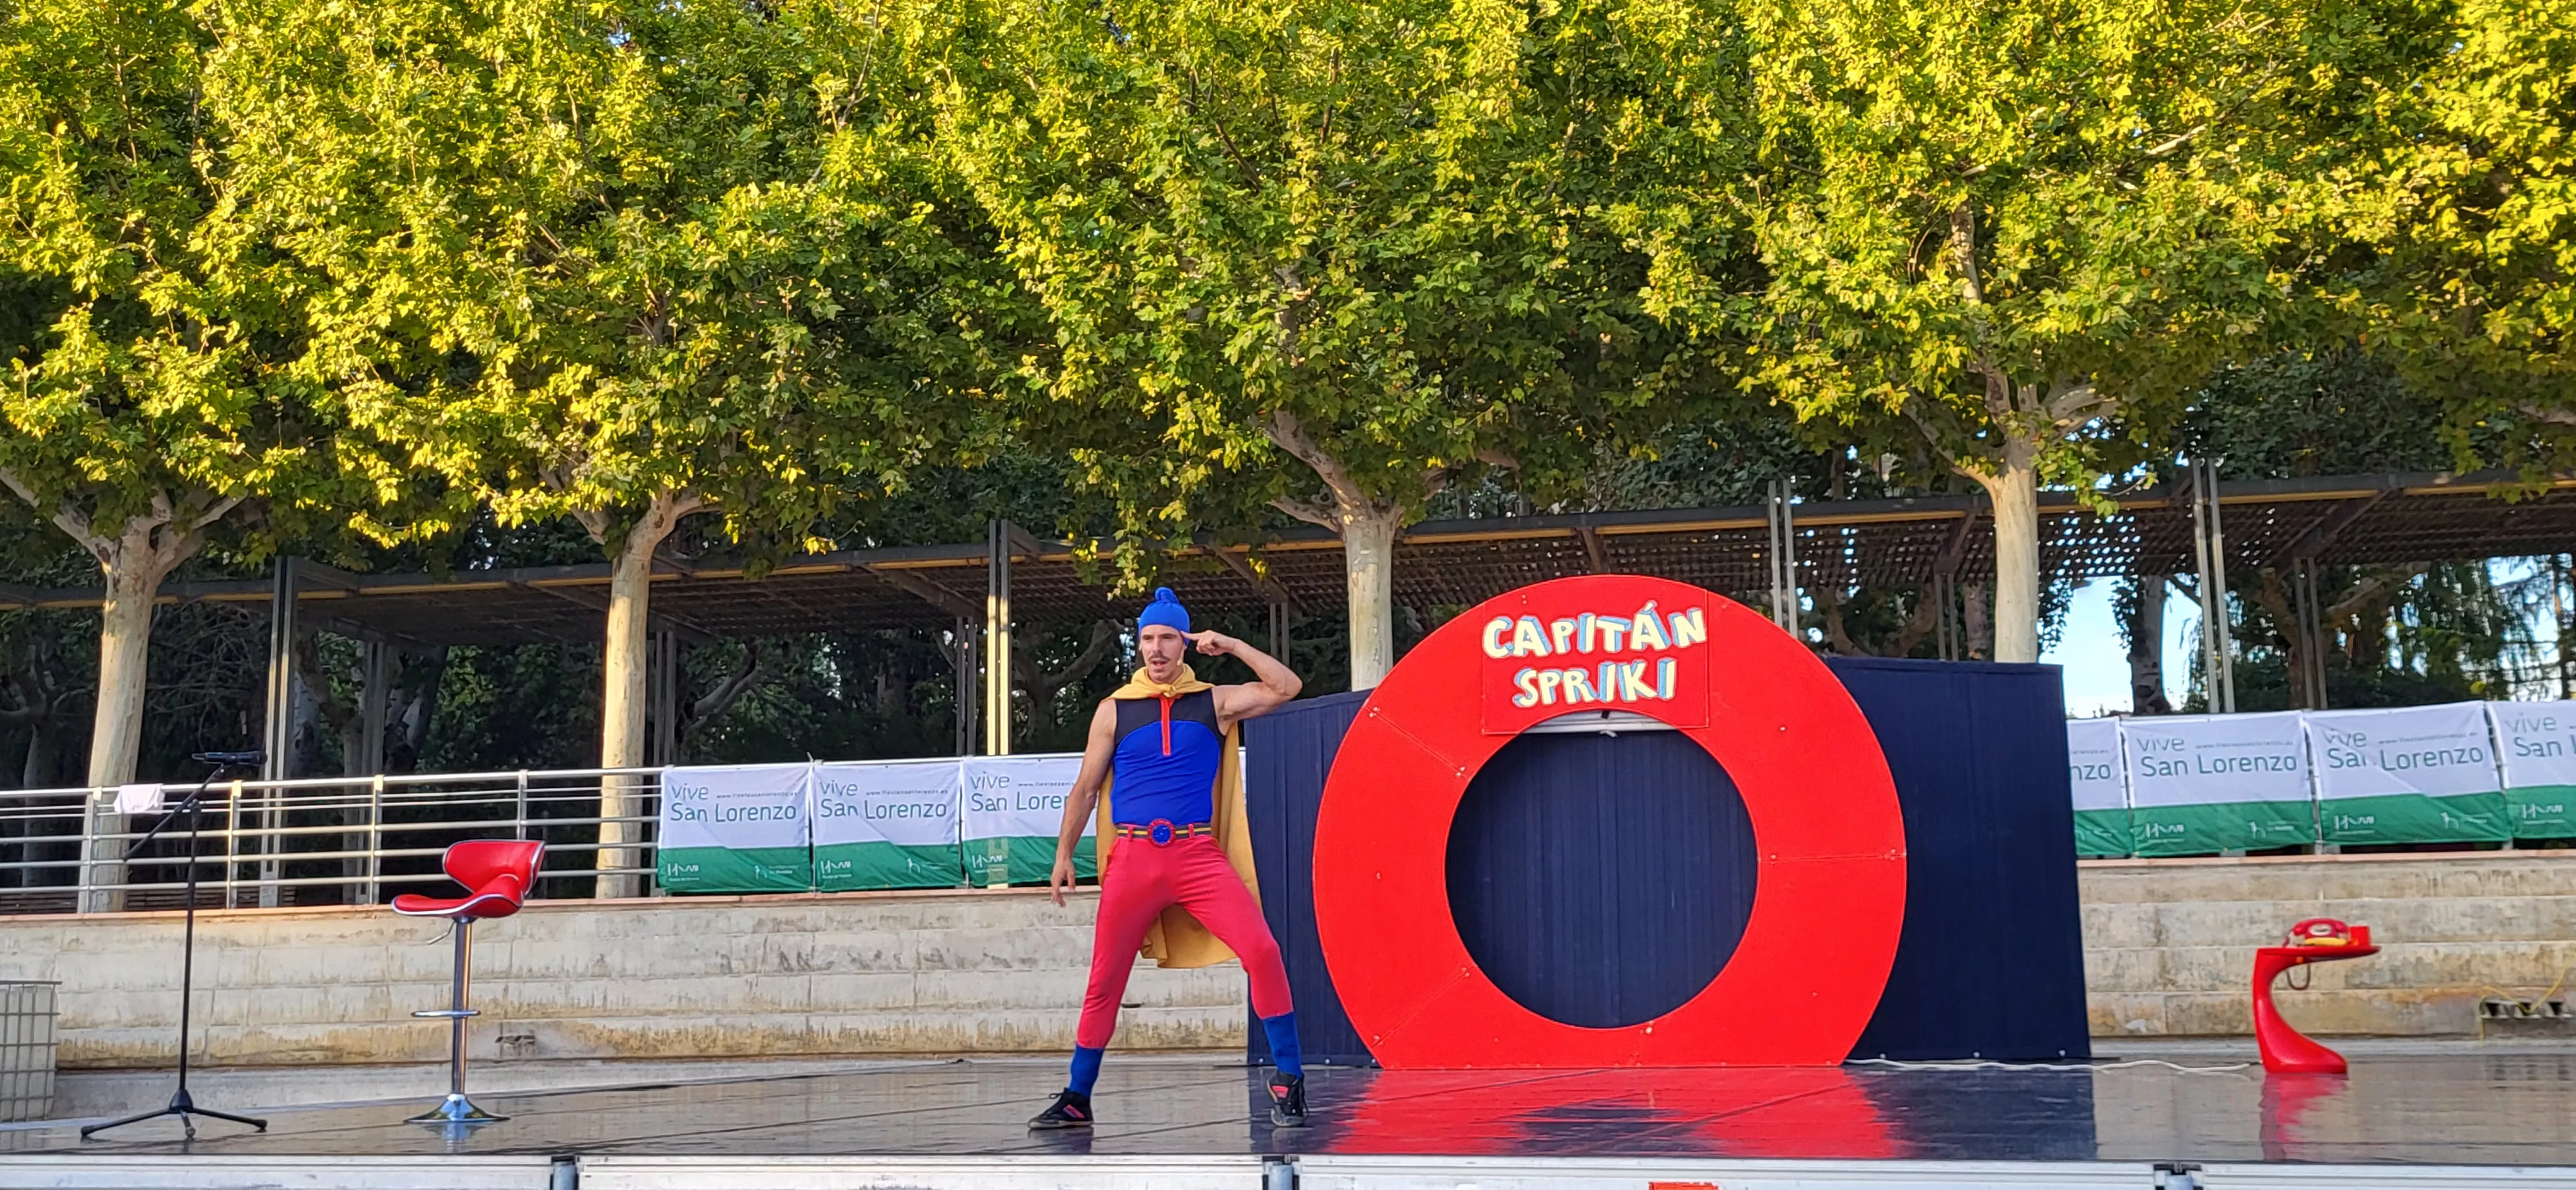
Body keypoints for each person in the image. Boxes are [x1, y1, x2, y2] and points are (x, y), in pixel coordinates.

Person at [1028, 587, 1309, 1130]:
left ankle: (1290, 1078)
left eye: (1167, 638)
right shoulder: (1115, 709)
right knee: (1104, 979)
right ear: (1138, 645)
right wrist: (1064, 854)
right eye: (1148, 639)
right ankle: (1076, 1097)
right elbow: (1085, 789)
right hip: (1132, 857)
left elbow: (1286, 687)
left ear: (1184, 642)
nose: (1156, 649)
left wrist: (1229, 645)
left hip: (1196, 852)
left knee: (1262, 950)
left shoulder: (1214, 701)